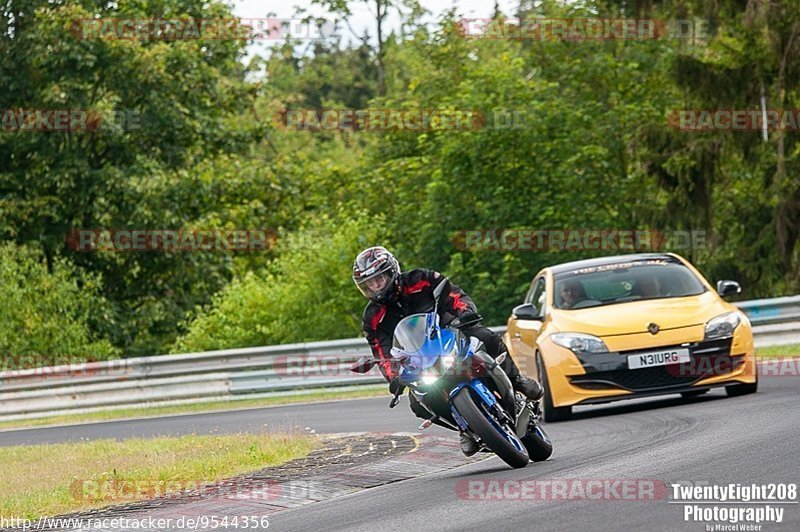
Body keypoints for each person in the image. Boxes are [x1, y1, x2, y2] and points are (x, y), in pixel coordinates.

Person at [352, 246, 543, 456]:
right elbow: (381, 350)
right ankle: (465, 427)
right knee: (417, 403)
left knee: (486, 336)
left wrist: (465, 312)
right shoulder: (372, 317)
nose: (375, 286)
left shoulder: (420, 279)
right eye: (369, 284)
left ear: (391, 271)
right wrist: (393, 377)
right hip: (420, 360)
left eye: (379, 279)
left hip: (452, 333)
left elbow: (453, 294)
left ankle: (517, 381)